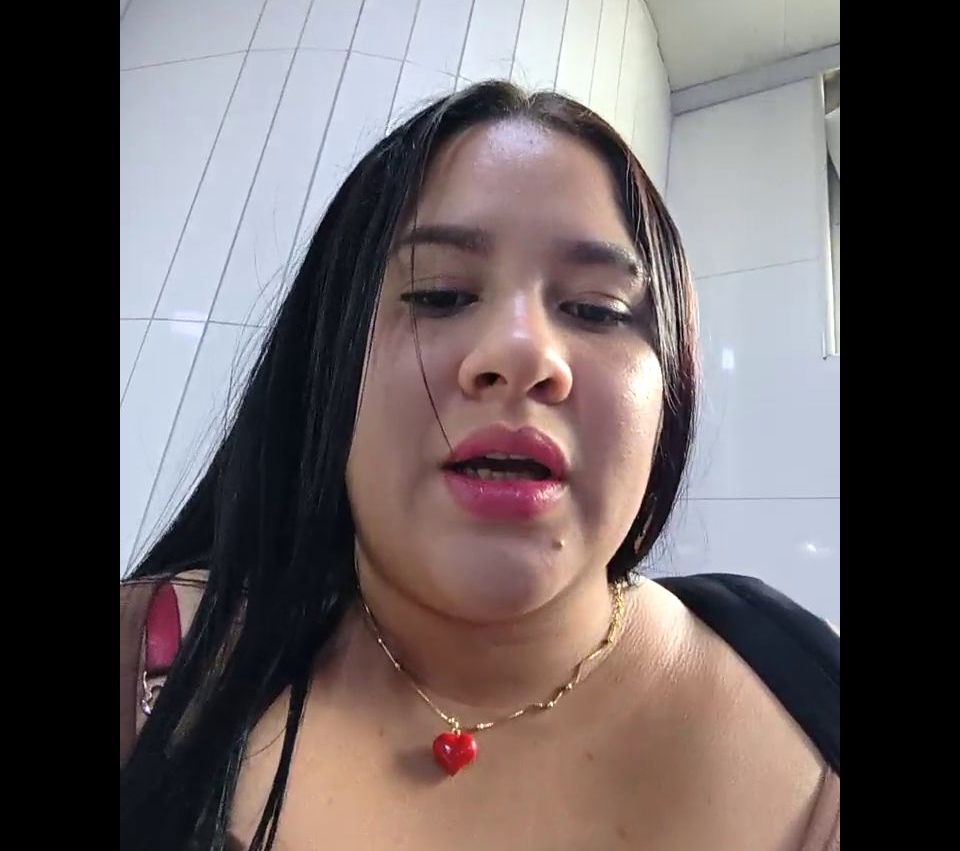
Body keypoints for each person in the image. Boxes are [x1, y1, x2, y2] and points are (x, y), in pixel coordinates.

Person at [120, 81, 839, 851]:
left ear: (671, 390)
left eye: (596, 309)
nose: (523, 353)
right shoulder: (151, 653)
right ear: (325, 360)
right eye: (439, 295)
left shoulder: (805, 692)